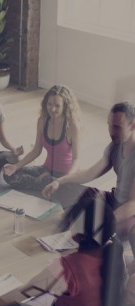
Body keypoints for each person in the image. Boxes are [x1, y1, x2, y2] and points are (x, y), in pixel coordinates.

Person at [42, 101, 135, 255]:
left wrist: (106, 219)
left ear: (132, 125)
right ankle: (81, 228)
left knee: (94, 222)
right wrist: (60, 181)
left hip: (128, 213)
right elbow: (91, 172)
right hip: (113, 200)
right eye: (109, 125)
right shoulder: (115, 146)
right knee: (67, 187)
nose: (111, 131)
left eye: (117, 127)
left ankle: (93, 231)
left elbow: (133, 204)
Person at [3, 85, 81, 191]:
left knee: (64, 186)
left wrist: (64, 179)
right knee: (9, 175)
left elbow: (76, 159)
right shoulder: (42, 121)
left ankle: (45, 183)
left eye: (57, 106)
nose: (52, 109)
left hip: (64, 175)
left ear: (65, 106)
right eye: (50, 104)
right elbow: (36, 150)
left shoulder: (72, 125)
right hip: (45, 169)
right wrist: (16, 166)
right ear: (46, 103)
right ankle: (44, 184)